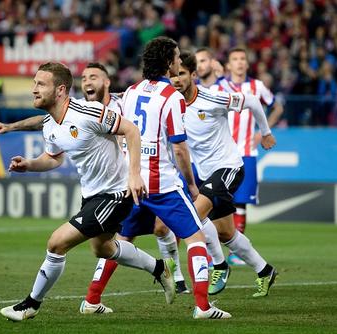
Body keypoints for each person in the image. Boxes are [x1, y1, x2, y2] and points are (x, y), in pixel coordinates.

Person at [0, 62, 191, 298]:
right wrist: (30, 165)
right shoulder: (50, 125)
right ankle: (160, 269)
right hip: (91, 194)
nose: (34, 89)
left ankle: (30, 304)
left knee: (57, 243)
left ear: (60, 90)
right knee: (103, 248)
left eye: (41, 84)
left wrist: (134, 174)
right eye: (34, 83)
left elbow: (131, 130)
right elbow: (53, 158)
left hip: (116, 194)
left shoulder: (88, 111)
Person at [80, 37, 231, 320]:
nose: (178, 60)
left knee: (119, 239)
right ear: (167, 61)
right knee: (195, 237)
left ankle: (91, 299)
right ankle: (202, 307)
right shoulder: (172, 97)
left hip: (132, 182)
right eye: (175, 56)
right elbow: (179, 147)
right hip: (161, 183)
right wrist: (191, 183)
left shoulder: (132, 92)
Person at [171, 51, 278, 298]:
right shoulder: (172, 106)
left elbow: (251, 101)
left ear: (194, 76)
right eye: (173, 75)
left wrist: (265, 132)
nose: (176, 80)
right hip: (207, 175)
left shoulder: (211, 98)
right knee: (227, 233)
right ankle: (265, 270)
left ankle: (219, 265)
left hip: (229, 167)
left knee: (191, 215)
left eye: (182, 74)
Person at [223, 47, 284, 266]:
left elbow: (277, 106)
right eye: (235, 59)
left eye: (242, 59)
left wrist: (263, 130)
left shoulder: (256, 86)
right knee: (216, 202)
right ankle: (214, 252)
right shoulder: (220, 86)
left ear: (247, 64)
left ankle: (236, 253)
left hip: (247, 153)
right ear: (228, 65)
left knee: (241, 203)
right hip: (222, 153)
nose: (239, 62)